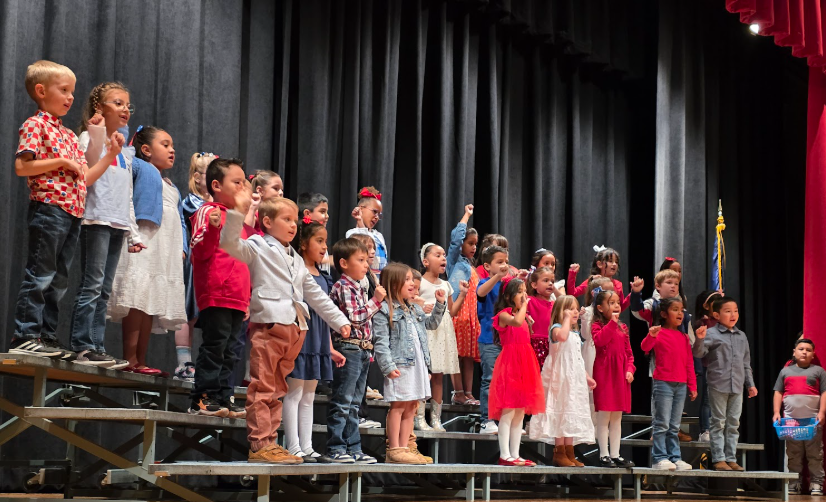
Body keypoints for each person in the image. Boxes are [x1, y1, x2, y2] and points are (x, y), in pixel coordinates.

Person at [219, 193, 351, 464]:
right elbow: (230, 244)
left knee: (279, 390)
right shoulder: (257, 245)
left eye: (294, 220)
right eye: (286, 219)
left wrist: (340, 321)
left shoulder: (295, 259)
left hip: (294, 329)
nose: (293, 225)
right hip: (269, 325)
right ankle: (260, 444)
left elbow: (315, 295)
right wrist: (236, 212)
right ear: (266, 221)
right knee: (263, 387)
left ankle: (272, 442)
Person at [10, 60, 122, 360]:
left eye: (72, 91)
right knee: (41, 274)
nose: (70, 97)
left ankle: (46, 335)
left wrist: (110, 154)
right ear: (41, 90)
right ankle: (25, 334)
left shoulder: (69, 135)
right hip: (49, 208)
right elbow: (22, 166)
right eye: (64, 90)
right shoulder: (36, 125)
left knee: (59, 279)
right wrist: (60, 162)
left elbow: (83, 177)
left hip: (72, 212)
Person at [69, 81, 139, 369]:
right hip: (95, 218)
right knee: (92, 284)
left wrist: (132, 231)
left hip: (118, 223)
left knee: (105, 289)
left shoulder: (124, 151)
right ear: (100, 107)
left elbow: (128, 196)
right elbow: (87, 172)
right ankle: (82, 345)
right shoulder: (88, 137)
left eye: (127, 105)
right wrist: (99, 136)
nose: (125, 109)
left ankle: (97, 345)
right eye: (118, 103)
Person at [107, 126, 187, 374]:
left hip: (163, 249)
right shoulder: (140, 167)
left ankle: (140, 360)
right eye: (165, 144)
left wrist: (182, 246)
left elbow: (181, 219)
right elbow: (124, 157)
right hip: (144, 240)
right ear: (145, 150)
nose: (172, 150)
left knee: (149, 299)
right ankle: (130, 358)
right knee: (137, 296)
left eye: (172, 145)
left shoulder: (171, 185)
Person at [189, 158, 254, 417]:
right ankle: (202, 398)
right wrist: (215, 229)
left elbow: (245, 260)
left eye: (244, 183)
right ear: (216, 185)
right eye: (236, 183)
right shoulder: (208, 211)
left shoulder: (241, 222)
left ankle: (224, 396)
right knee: (215, 346)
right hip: (216, 292)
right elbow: (200, 253)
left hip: (238, 296)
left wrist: (247, 297)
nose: (242, 188)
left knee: (230, 351)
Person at [281, 216, 347, 462]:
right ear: (304, 243)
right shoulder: (295, 268)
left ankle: (307, 447)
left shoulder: (323, 274)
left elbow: (325, 309)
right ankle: (292, 446)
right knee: (294, 393)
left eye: (325, 242)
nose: (324, 247)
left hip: (319, 338)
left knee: (309, 394)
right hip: (301, 335)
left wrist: (329, 347)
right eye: (319, 241)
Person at [373, 263, 446, 464]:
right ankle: (394, 448)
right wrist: (388, 366)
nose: (411, 283)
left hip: (417, 364)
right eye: (405, 280)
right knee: (398, 406)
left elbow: (431, 324)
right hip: (400, 365)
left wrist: (440, 304)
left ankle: (404, 447)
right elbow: (381, 342)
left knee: (411, 406)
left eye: (410, 279)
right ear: (393, 283)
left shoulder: (413, 308)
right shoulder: (384, 310)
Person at [324, 238, 386, 464]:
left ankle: (354, 448)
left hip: (361, 350)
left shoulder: (359, 287)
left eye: (365, 260)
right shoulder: (343, 286)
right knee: (342, 401)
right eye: (360, 260)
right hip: (348, 348)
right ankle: (336, 447)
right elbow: (356, 318)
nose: (366, 265)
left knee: (354, 405)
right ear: (344, 263)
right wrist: (376, 301)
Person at [529, 295, 596, 467]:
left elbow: (577, 359)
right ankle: (559, 452)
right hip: (559, 377)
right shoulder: (556, 328)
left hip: (573, 378)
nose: (575, 312)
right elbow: (562, 337)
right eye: (570, 309)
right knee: (560, 410)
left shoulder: (575, 334)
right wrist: (566, 319)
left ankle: (569, 451)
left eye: (576, 308)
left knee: (571, 410)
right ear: (561, 311)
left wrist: (587, 377)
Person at [692, 296, 757, 471]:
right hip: (718, 383)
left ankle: (731, 458)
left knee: (733, 423)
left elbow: (746, 363)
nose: (733, 314)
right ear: (716, 315)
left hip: (737, 385)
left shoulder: (741, 336)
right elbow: (698, 354)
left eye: (735, 311)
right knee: (718, 422)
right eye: (727, 311)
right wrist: (699, 339)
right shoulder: (711, 333)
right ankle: (719, 458)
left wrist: (750, 384)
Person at [488, 277, 545, 466]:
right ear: (508, 296)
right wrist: (524, 309)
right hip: (510, 363)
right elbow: (516, 321)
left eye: (524, 291)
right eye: (520, 292)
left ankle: (515, 453)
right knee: (508, 410)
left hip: (526, 363)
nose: (524, 295)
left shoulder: (524, 315)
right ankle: (504, 454)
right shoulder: (503, 315)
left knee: (520, 411)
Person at [642, 297, 701, 471]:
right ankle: (659, 457)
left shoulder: (683, 337)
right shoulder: (658, 332)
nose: (680, 313)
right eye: (675, 309)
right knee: (662, 424)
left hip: (681, 384)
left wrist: (692, 385)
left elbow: (689, 362)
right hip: (663, 383)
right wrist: (650, 335)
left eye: (681, 310)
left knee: (675, 426)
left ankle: (675, 457)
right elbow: (645, 348)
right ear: (663, 314)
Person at [173, 152, 216, 381]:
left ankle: (207, 365)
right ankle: (183, 363)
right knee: (187, 311)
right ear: (198, 178)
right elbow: (201, 217)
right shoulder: (192, 201)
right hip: (194, 262)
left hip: (213, 263)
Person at [419, 243, 468, 431]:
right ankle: (419, 417)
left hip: (443, 331)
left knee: (438, 376)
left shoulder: (446, 285)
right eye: (437, 255)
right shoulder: (420, 282)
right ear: (425, 261)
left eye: (444, 255)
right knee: (424, 374)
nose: (443, 258)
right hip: (427, 330)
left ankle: (436, 418)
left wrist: (462, 294)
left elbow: (452, 311)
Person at [773, 338, 826, 496]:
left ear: (813, 354)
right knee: (793, 453)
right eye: (801, 349)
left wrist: (822, 412)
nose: (804, 352)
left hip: (812, 421)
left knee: (815, 454)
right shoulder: (785, 372)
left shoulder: (819, 371)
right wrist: (776, 412)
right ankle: (795, 482)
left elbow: (824, 392)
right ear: (794, 352)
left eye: (808, 350)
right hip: (791, 422)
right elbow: (778, 392)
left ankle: (816, 483)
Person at [591, 289, 635, 468]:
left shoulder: (623, 328)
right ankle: (604, 455)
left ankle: (616, 454)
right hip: (604, 374)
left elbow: (629, 353)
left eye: (618, 302)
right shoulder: (597, 325)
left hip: (620, 376)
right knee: (604, 416)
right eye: (612, 303)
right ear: (600, 308)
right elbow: (600, 341)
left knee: (617, 417)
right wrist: (611, 324)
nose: (617, 305)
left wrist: (630, 369)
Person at [446, 205, 481, 405]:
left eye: (475, 244)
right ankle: (458, 392)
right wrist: (467, 215)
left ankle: (468, 392)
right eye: (470, 243)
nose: (473, 247)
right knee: (456, 356)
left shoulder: (471, 266)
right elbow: (456, 238)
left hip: (471, 318)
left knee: (468, 357)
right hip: (457, 314)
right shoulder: (454, 260)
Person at [476, 245, 511, 434]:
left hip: (507, 340)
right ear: (488, 266)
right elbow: (481, 293)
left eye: (506, 261)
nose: (504, 265)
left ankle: (505, 420)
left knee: (507, 382)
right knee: (489, 379)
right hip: (489, 339)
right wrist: (497, 276)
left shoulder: (507, 285)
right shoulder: (485, 282)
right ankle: (486, 420)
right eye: (499, 262)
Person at [693, 290, 723, 442]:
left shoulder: (722, 322)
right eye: (715, 302)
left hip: (721, 367)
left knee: (719, 401)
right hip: (708, 366)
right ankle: (705, 430)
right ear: (706, 306)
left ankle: (718, 430)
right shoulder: (703, 323)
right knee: (707, 400)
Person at [568, 246, 630, 311]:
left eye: (616, 262)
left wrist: (634, 293)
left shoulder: (618, 284)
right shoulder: (594, 281)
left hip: (612, 320)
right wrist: (572, 274)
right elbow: (572, 294)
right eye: (610, 261)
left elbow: (621, 307)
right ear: (599, 264)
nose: (614, 264)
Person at [526, 266, 563, 368]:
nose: (550, 283)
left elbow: (565, 302)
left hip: (551, 345)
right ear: (534, 284)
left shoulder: (555, 304)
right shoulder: (529, 301)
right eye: (545, 281)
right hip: (534, 345)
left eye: (552, 281)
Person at [347, 186, 387, 279]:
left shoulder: (378, 235)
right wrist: (360, 221)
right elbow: (364, 246)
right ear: (360, 209)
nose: (377, 217)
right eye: (374, 212)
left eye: (379, 214)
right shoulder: (351, 233)